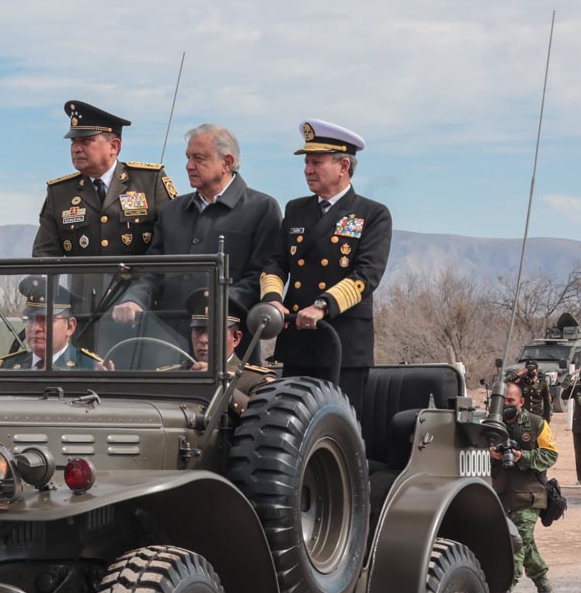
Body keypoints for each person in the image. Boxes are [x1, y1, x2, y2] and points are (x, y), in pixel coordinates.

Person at [259, 119, 391, 412]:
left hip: (342, 343)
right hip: (297, 338)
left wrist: (322, 305)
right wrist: (271, 299)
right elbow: (276, 261)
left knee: (338, 427)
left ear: (344, 166)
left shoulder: (372, 214)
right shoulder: (296, 209)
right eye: (306, 163)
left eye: (317, 162)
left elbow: (367, 274)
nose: (308, 170)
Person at [32, 100, 179, 326]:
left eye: (86, 141)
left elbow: (172, 246)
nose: (76, 148)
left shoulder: (150, 181)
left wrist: (141, 298)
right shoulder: (59, 193)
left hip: (142, 314)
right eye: (73, 142)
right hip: (83, 315)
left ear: (114, 146)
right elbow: (44, 256)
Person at [145, 124, 283, 316]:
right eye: (188, 157)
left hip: (227, 332)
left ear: (227, 163)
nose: (189, 165)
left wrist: (223, 298)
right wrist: (133, 300)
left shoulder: (262, 209)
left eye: (198, 158)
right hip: (168, 332)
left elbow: (262, 274)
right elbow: (152, 270)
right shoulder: (172, 210)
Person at [489, 380, 558, 593]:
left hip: (529, 494)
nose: (505, 404)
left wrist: (523, 457)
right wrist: (490, 454)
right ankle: (545, 589)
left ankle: (504, 592)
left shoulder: (537, 423)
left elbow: (550, 455)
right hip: (501, 494)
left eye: (510, 400)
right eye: (501, 400)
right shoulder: (490, 425)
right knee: (525, 543)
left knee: (516, 540)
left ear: (521, 402)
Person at [181, 290, 274, 413]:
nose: (203, 339)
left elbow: (263, 416)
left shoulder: (257, 380)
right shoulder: (174, 375)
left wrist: (222, 386)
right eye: (198, 330)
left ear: (236, 338)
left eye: (214, 331)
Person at [0, 285, 102, 370]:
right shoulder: (5, 368)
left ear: (70, 327)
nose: (36, 328)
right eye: (31, 319)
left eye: (47, 320)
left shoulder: (90, 369)